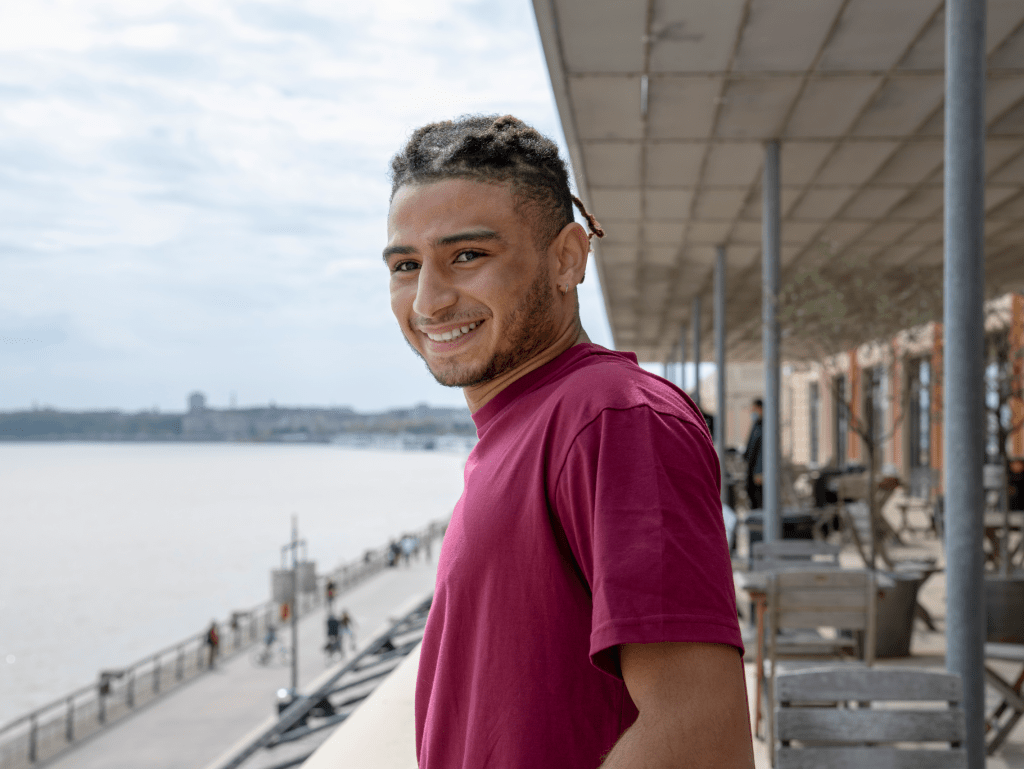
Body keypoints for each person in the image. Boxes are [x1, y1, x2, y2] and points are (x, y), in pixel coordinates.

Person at [385, 115, 753, 768]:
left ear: (567, 258)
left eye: (467, 255)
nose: (429, 299)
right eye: (407, 265)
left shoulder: (613, 417)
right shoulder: (525, 426)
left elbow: (698, 735)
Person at [744, 398, 764, 510]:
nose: (753, 412)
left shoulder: (766, 426)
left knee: (759, 500)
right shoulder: (756, 425)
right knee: (752, 497)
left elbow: (763, 450)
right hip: (751, 469)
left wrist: (760, 471)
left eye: (754, 409)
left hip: (759, 473)